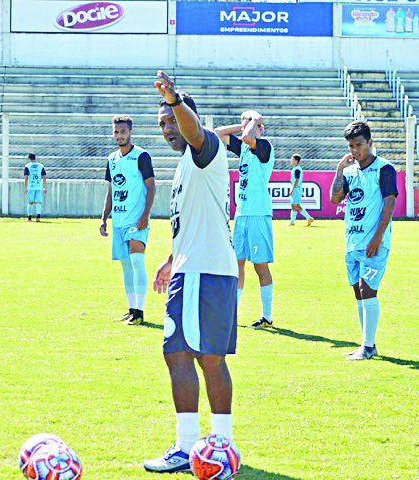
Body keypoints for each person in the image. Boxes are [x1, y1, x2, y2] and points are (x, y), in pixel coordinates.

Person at [143, 72, 239, 474]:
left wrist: (175, 99)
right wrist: (170, 258)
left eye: (171, 121)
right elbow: (195, 221)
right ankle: (221, 444)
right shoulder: (187, 164)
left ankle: (192, 446)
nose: (167, 129)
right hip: (197, 267)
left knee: (186, 354)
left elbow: (197, 132)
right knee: (199, 356)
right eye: (162, 123)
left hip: (204, 271)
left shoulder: (206, 148)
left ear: (189, 118)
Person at [330, 121, 397, 361]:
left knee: (367, 289)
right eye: (351, 146)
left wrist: (378, 237)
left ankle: (368, 347)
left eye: (359, 145)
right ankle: (366, 344)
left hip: (373, 242)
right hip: (352, 242)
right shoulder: (349, 172)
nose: (355, 150)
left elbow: (390, 203)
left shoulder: (385, 169)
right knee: (358, 292)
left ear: (370, 143)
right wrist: (339, 170)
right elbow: (335, 199)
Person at [214, 112, 275, 328]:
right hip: (241, 215)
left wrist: (254, 121)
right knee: (236, 264)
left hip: (258, 214)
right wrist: (243, 124)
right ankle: (233, 313)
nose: (246, 126)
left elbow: (250, 138)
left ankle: (267, 316)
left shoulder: (264, 146)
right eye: (244, 122)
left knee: (260, 266)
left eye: (251, 123)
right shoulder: (244, 149)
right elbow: (218, 133)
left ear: (261, 127)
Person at [100, 116, 155, 326]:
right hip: (119, 221)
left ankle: (140, 312)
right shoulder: (112, 159)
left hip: (136, 220)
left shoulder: (141, 156)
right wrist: (104, 218)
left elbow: (151, 186)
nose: (119, 135)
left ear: (130, 132)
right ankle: (132, 309)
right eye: (116, 132)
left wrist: (145, 215)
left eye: (122, 131)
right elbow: (111, 190)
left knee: (137, 261)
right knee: (126, 266)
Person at [288, 154, 314, 226]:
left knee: (296, 206)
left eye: (292, 159)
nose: (291, 161)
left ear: (296, 161)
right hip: (296, 189)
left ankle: (309, 218)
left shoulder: (297, 169)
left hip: (296, 189)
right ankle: (292, 222)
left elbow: (296, 180)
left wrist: (292, 189)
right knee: (294, 206)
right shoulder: (296, 168)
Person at [24, 153, 47, 222]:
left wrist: (25, 188)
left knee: (30, 202)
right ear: (35, 158)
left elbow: (26, 177)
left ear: (29, 158)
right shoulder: (41, 166)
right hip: (39, 186)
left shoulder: (27, 166)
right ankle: (38, 217)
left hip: (31, 186)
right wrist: (45, 187)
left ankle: (29, 218)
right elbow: (44, 177)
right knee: (38, 202)